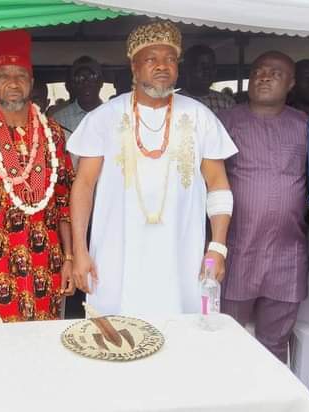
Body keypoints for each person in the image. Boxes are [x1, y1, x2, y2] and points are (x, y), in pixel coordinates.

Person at [68, 21, 237, 316]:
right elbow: (83, 185)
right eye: (151, 59)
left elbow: (218, 185)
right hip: (115, 260)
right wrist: (80, 251)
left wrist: (217, 247)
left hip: (182, 259)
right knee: (116, 335)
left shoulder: (200, 117)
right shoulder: (104, 117)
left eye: (170, 59)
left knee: (181, 334)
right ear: (134, 68)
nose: (162, 66)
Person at [0, 29, 75, 370]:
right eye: (4, 76)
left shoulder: (53, 134)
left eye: (20, 75)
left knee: (44, 354)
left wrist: (69, 258)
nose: (13, 83)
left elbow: (64, 202)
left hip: (46, 267)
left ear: (32, 81)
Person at [218, 51, 308, 363]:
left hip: (287, 255)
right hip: (237, 252)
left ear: (291, 83)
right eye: (258, 71)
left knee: (275, 344)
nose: (264, 77)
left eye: (275, 73)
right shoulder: (226, 122)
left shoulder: (304, 125)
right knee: (226, 339)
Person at [53, 56, 104, 168]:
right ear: (72, 84)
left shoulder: (114, 117)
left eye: (92, 77)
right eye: (79, 78)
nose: (86, 83)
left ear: (101, 82)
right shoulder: (58, 121)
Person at [179, 44, 235, 113]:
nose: (207, 71)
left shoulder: (227, 102)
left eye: (211, 67)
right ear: (188, 68)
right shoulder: (174, 102)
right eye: (202, 66)